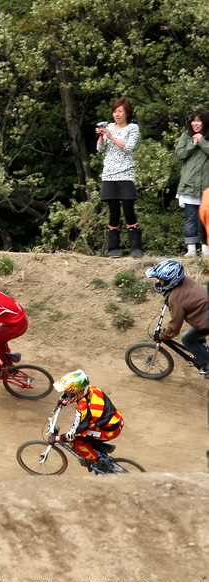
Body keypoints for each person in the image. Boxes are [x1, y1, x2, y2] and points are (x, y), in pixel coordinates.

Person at [47, 370, 124, 471]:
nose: (67, 395)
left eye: (69, 394)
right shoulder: (93, 389)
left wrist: (58, 438)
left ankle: (96, 461)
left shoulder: (83, 409)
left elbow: (74, 433)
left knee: (76, 442)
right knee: (84, 436)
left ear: (79, 392)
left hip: (109, 431)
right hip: (115, 419)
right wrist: (63, 401)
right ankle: (97, 449)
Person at [144, 259, 209, 377]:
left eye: (161, 280)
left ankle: (207, 363)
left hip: (205, 320)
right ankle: (203, 349)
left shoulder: (176, 299)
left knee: (187, 339)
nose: (160, 282)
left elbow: (175, 326)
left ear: (171, 281)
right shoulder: (186, 280)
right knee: (195, 332)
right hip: (204, 313)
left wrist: (163, 335)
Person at [96, 98, 142, 258]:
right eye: (115, 111)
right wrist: (102, 136)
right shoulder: (108, 127)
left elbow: (128, 148)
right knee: (113, 212)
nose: (117, 114)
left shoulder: (132, 128)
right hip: (109, 174)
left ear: (127, 113)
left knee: (129, 211)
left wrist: (111, 135)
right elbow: (100, 149)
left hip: (126, 174)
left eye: (120, 111)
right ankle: (113, 249)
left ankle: (136, 248)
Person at [175, 108, 209, 258]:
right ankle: (191, 249)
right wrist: (192, 144)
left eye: (199, 121)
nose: (195, 124)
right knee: (190, 217)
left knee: (204, 218)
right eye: (194, 120)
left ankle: (205, 248)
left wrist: (201, 142)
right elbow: (179, 154)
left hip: (206, 185)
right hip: (189, 184)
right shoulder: (186, 136)